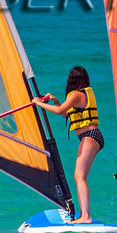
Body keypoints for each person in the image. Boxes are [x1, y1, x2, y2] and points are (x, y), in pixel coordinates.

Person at [34, 66, 103, 224]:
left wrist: (39, 103)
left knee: (79, 176)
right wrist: (55, 100)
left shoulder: (77, 94)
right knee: (79, 176)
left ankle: (86, 216)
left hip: (90, 136)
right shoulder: (82, 95)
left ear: (72, 81)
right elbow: (66, 113)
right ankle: (85, 215)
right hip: (92, 136)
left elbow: (59, 112)